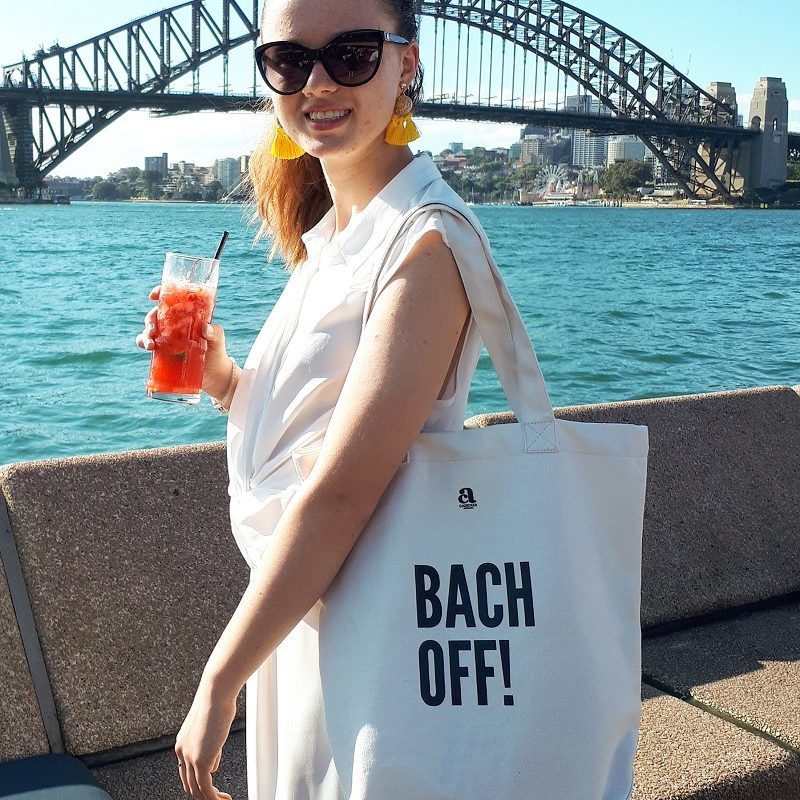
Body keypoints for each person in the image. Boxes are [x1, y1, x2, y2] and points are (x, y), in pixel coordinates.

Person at [137, 0, 493, 797]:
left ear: (408, 63)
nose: (319, 81)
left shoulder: (424, 241)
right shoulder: (337, 236)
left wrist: (218, 680)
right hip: (297, 624)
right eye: (289, 60)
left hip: (367, 643)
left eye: (354, 53)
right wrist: (224, 377)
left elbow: (339, 494)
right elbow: (307, 433)